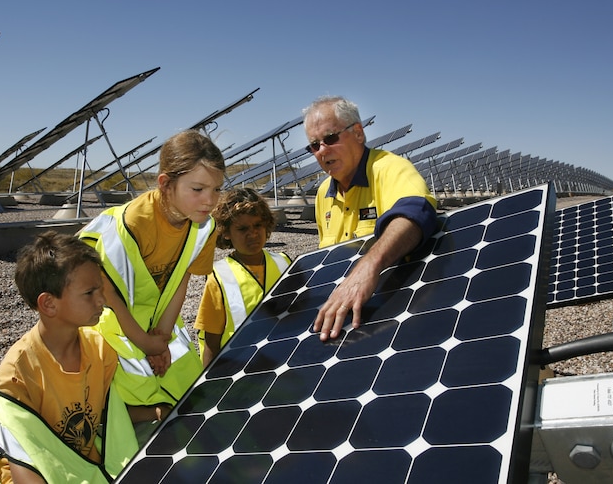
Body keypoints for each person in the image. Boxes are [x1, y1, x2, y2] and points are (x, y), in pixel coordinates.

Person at [77, 129, 224, 443]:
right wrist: (145, 343)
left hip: (160, 326)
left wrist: (162, 335)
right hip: (116, 328)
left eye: (216, 189)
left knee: (191, 396)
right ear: (165, 184)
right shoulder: (131, 225)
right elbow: (110, 295)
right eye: (197, 189)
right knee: (129, 407)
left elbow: (180, 279)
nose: (209, 201)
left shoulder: (204, 227)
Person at [0, 231, 136, 483]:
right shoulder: (18, 371)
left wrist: (156, 413)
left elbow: (110, 418)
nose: (102, 299)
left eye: (101, 289)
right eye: (89, 293)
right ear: (48, 304)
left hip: (79, 469)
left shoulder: (100, 349)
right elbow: (23, 458)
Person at [304, 95, 438, 342]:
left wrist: (369, 265)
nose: (322, 150)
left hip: (390, 311)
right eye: (314, 145)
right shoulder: (324, 193)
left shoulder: (389, 169)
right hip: (344, 315)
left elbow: (417, 212)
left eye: (330, 138)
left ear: (357, 133)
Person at [194, 188, 292, 367]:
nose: (253, 234)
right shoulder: (219, 277)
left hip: (284, 364)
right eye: (242, 228)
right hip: (241, 372)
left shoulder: (285, 263)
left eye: (258, 225)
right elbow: (211, 342)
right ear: (226, 232)